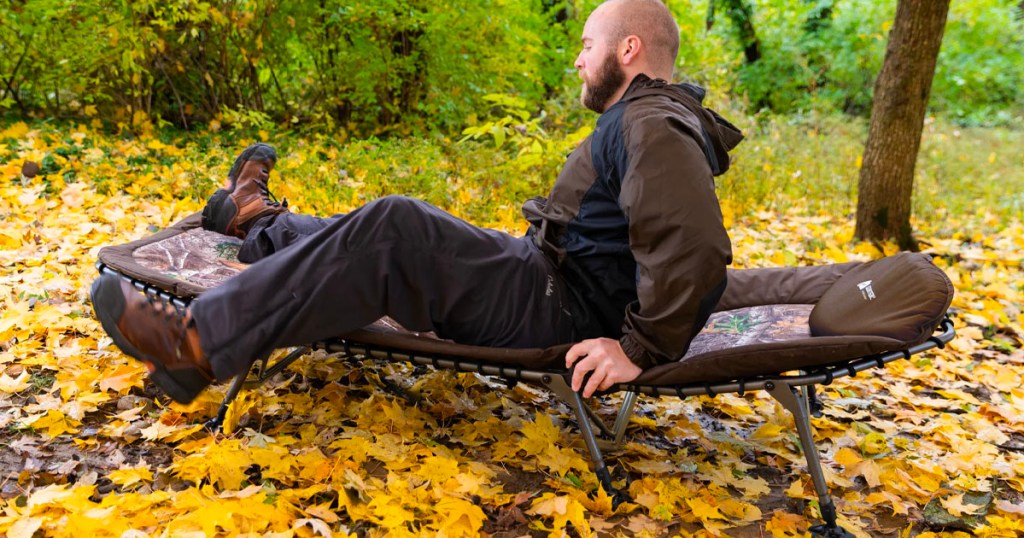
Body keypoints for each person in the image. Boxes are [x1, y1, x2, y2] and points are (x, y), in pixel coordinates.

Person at [90, 0, 742, 405]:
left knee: (397, 227)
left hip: (561, 306)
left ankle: (196, 344)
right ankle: (257, 223)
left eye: (588, 45)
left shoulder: (651, 123)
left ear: (628, 49)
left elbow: (696, 246)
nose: (578, 60)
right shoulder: (645, 118)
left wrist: (641, 348)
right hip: (549, 278)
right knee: (373, 234)